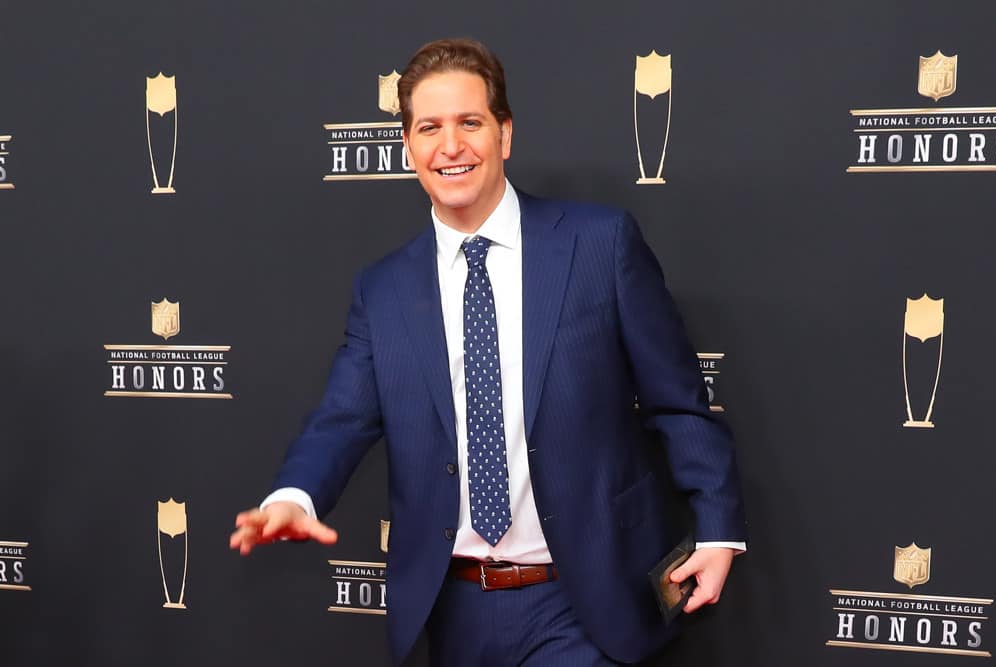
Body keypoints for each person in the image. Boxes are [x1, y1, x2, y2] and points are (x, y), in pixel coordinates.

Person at [230, 38, 747, 666]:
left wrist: (718, 528)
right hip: (454, 609)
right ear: (408, 146)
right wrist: (292, 498)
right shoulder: (382, 290)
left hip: (583, 602)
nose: (451, 146)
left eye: (470, 122)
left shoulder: (600, 246)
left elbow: (678, 404)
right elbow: (341, 419)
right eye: (430, 128)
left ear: (505, 133)